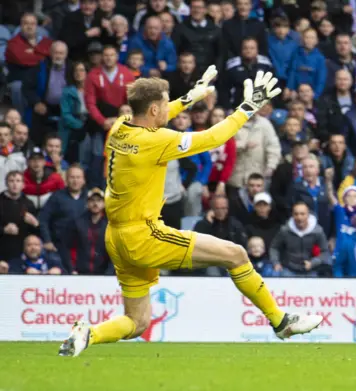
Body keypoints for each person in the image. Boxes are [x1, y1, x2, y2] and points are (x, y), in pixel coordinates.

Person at [58, 68, 321, 357]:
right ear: (154, 108)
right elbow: (210, 138)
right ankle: (281, 322)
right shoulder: (154, 141)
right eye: (166, 103)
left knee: (137, 323)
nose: (167, 109)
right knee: (235, 254)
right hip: (143, 235)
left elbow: (159, 110)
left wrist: (188, 98)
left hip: (117, 236)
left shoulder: (120, 127)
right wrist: (247, 108)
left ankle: (88, 334)